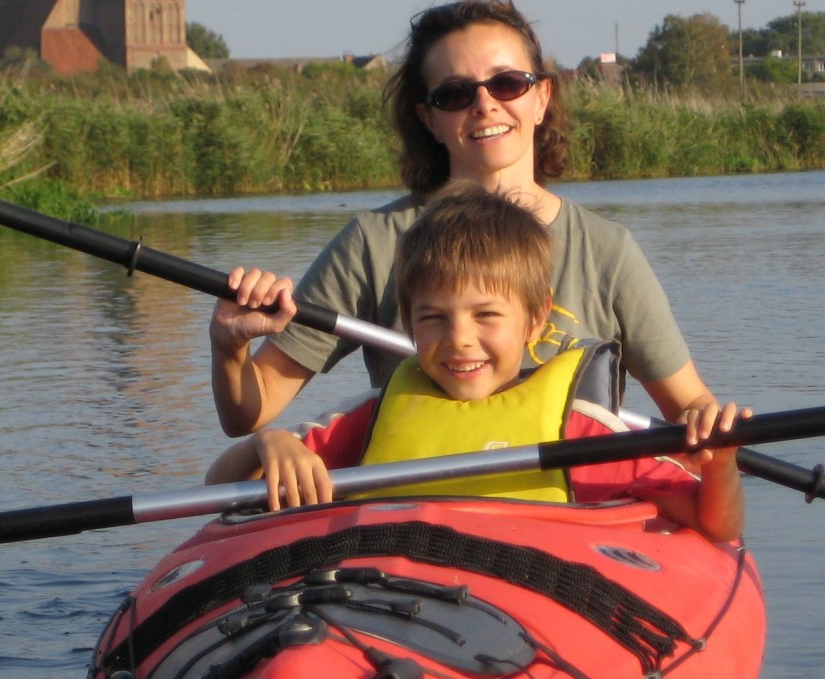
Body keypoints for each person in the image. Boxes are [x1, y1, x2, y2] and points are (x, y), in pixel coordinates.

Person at [210, 0, 730, 448]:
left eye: (507, 83)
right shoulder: (374, 244)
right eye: (456, 94)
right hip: (418, 520)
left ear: (541, 98)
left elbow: (687, 409)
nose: (485, 105)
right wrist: (231, 348)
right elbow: (249, 414)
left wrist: (711, 422)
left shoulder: (608, 251)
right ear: (429, 118)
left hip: (570, 524)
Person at [207, 189, 748, 542]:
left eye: (486, 315)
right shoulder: (369, 419)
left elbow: (712, 526)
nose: (460, 340)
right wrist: (268, 443)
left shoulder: (579, 430)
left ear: (537, 321)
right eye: (433, 318)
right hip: (382, 606)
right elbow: (218, 488)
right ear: (409, 324)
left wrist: (721, 465)